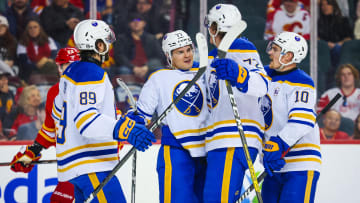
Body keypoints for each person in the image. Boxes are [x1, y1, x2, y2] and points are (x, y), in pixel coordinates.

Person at [12, 19, 156, 202]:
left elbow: (60, 117)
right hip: (91, 165)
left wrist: (124, 119)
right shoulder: (91, 72)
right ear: (98, 44)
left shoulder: (70, 74)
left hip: (74, 171)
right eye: (107, 42)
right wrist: (124, 129)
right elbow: (86, 121)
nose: (109, 48)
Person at [213, 31, 321, 202]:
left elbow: (303, 121)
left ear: (288, 56)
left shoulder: (301, 81)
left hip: (300, 162)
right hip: (273, 162)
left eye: (275, 49)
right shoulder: (265, 76)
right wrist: (238, 75)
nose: (269, 52)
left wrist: (279, 143)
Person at [203, 4, 266, 202]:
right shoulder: (211, 56)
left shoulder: (242, 47)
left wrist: (240, 75)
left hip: (233, 138)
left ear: (214, 27)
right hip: (219, 139)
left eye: (210, 26)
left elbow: (262, 84)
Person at [136, 30, 207, 202]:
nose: (187, 55)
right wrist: (136, 128)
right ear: (169, 56)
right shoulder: (159, 78)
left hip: (207, 151)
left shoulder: (206, 73)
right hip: (175, 151)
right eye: (180, 52)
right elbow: (141, 114)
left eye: (189, 50)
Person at [10, 47, 80, 202]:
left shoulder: (93, 87)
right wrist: (32, 151)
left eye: (73, 65)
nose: (69, 69)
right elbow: (49, 129)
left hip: (92, 163)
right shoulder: (54, 92)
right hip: (69, 166)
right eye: (65, 65)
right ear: (59, 67)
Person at [113, 12, 165, 79]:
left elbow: (160, 56)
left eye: (139, 20)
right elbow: (119, 56)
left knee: (160, 70)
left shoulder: (151, 38)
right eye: (133, 20)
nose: (136, 23)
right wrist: (133, 68)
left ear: (144, 23)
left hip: (148, 67)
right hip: (129, 67)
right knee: (124, 70)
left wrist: (147, 67)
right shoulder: (122, 38)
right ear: (129, 24)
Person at [318, 0, 353, 68]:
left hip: (340, 47)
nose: (325, 7)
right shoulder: (319, 22)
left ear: (333, 6)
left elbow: (349, 38)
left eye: (328, 4)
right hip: (325, 47)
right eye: (322, 5)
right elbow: (317, 37)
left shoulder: (343, 20)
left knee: (337, 49)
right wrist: (327, 44)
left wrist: (338, 44)